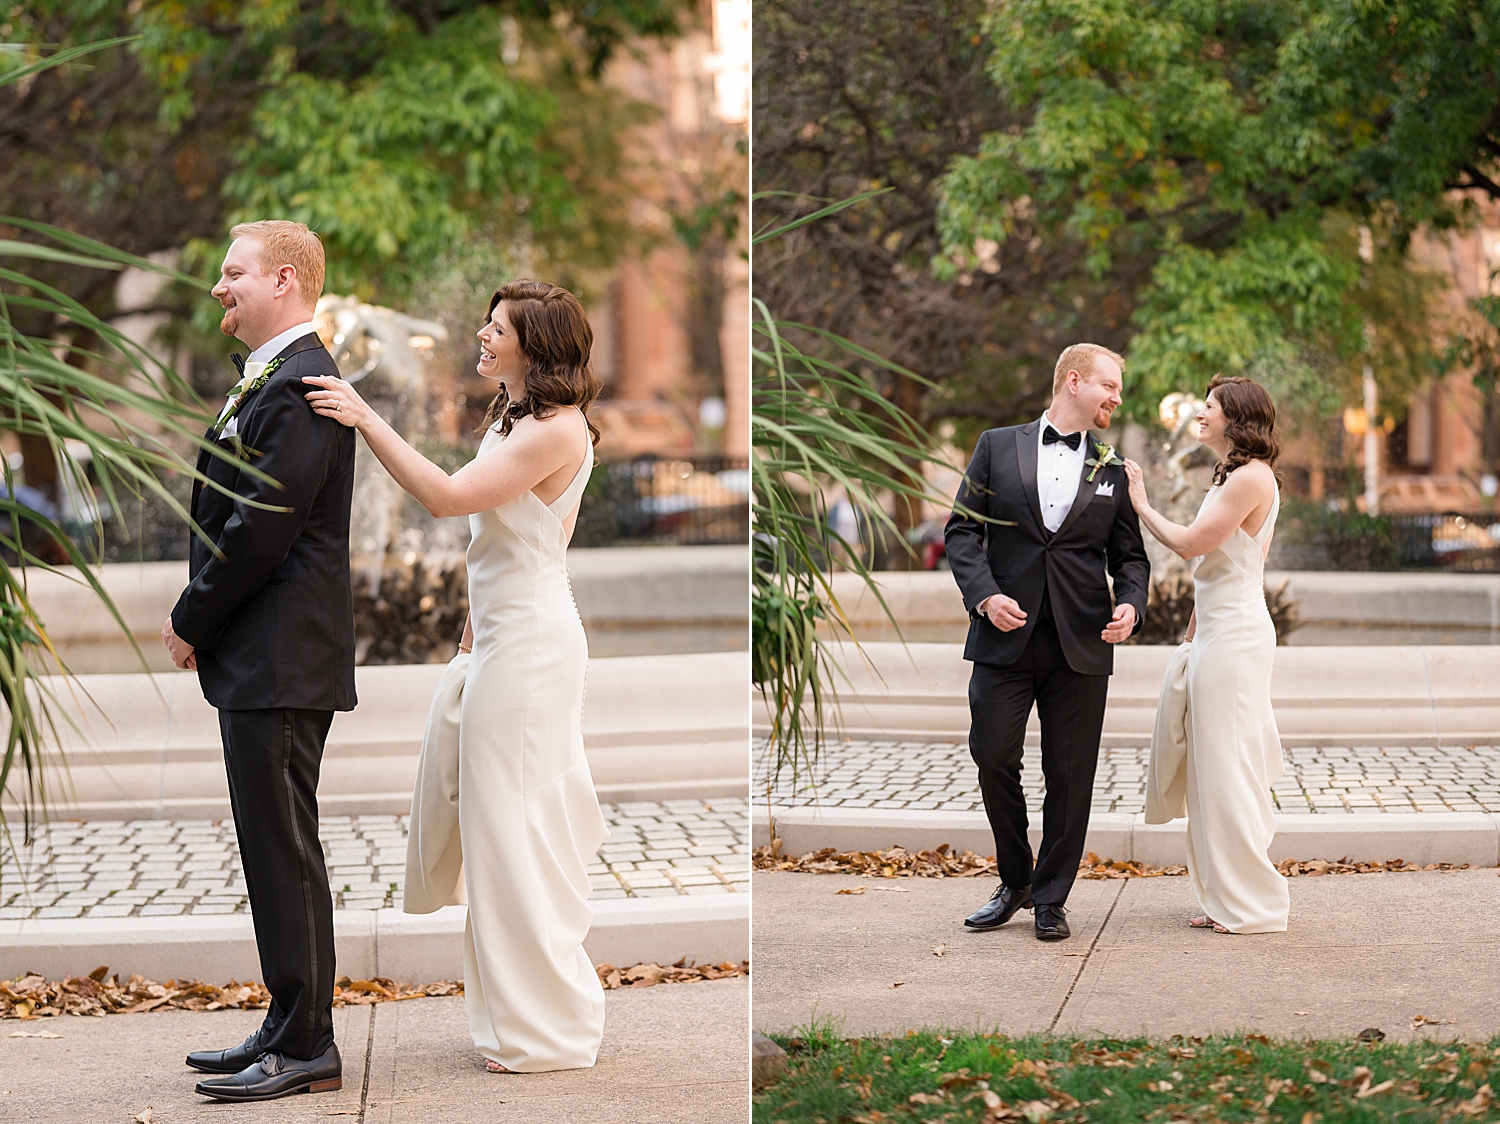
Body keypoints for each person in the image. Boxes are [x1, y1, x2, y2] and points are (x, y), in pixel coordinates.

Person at [302, 279, 610, 1071]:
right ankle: (519, 1020)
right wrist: (475, 620)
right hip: (507, 637)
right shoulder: (518, 419)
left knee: (515, 831)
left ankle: (551, 1031)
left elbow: (445, 499)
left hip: (534, 648)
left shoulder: (554, 430)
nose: (481, 334)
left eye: (497, 327)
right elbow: (508, 539)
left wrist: (366, 416)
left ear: (533, 345)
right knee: (496, 828)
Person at [162, 220, 354, 1101]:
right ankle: (286, 1021)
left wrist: (192, 615)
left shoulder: (304, 380)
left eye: (231, 272)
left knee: (283, 847)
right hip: (265, 658)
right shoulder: (273, 379)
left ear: (283, 279)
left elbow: (263, 527)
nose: (218, 288)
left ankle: (309, 1040)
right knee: (275, 843)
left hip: (278, 655)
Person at [944, 343, 1151, 941]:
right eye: (1109, 385)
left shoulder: (1112, 465)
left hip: (1082, 641)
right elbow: (962, 532)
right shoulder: (995, 445)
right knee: (993, 755)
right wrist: (984, 595)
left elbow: (1130, 557)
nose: (1116, 397)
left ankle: (1051, 897)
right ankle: (1017, 879)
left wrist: (1131, 604)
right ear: (1074, 380)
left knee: (1070, 773)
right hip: (1003, 638)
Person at [1123, 375, 1290, 935]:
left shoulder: (1250, 477)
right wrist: (1194, 630)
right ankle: (1227, 898)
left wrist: (1142, 504)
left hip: (1237, 641)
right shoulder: (1237, 476)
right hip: (1222, 632)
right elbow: (1228, 567)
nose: (1201, 412)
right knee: (1213, 770)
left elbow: (1194, 544)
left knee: (1229, 770)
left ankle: (1256, 905)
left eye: (1211, 406)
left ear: (1235, 419)